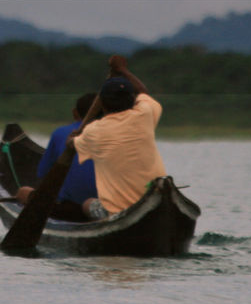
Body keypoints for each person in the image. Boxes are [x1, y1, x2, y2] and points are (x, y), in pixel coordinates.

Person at [71, 56, 166, 220]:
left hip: (117, 212)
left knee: (87, 203)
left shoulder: (93, 131)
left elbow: (71, 145)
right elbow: (143, 91)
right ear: (132, 100)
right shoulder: (144, 114)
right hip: (155, 201)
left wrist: (76, 134)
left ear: (103, 106)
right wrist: (123, 71)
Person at [14, 93, 99, 221]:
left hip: (69, 209)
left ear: (75, 113)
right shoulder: (116, 134)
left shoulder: (61, 133)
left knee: (23, 192)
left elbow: (43, 173)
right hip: (105, 206)